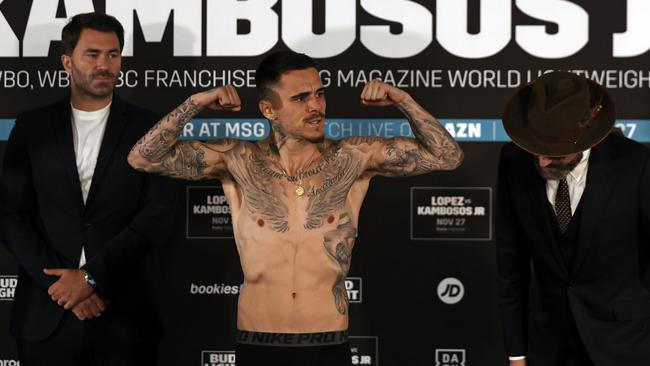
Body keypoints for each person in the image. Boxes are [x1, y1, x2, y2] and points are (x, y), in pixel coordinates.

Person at [127, 51, 463, 365]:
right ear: (268, 109)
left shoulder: (353, 157)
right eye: (301, 98)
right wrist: (193, 103)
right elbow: (142, 158)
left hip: (328, 343)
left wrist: (403, 102)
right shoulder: (236, 159)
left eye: (319, 94)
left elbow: (447, 156)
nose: (316, 106)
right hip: (258, 342)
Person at [0, 12, 179, 365]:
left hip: (124, 316)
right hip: (46, 313)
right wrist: (66, 287)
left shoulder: (151, 128)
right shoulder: (31, 126)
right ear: (67, 62)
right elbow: (11, 214)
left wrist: (92, 278)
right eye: (92, 54)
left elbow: (156, 216)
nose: (104, 65)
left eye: (113, 55)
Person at [496, 71, 650, 366]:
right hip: (548, 346)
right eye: (535, 149)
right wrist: (517, 354)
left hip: (626, 343)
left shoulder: (637, 165)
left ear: (584, 137)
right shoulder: (512, 162)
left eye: (554, 153)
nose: (541, 161)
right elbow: (510, 265)